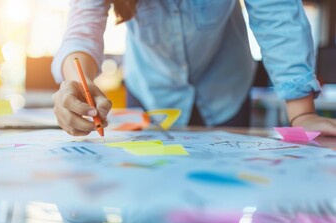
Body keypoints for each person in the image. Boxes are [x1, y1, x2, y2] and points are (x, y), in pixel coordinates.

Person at [51, 0, 336, 136]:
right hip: (150, 92)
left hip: (225, 92)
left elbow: (276, 13)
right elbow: (84, 25)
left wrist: (302, 114)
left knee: (223, 201)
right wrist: (78, 85)